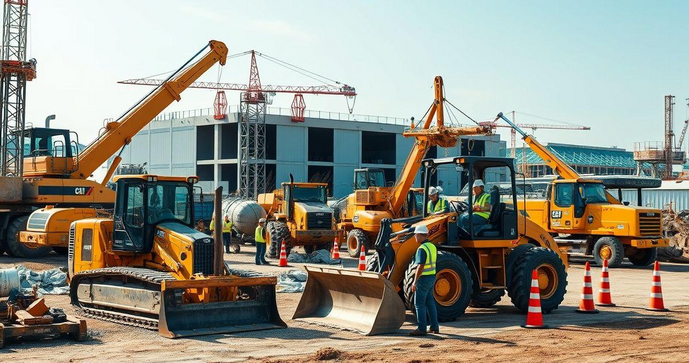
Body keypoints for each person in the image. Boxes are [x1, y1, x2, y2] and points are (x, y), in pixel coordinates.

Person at [409, 225, 439, 336]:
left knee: (419, 304)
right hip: (432, 277)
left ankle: (421, 328)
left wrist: (414, 281)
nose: (415, 237)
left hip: (423, 279)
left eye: (416, 235)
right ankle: (434, 326)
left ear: (421, 235)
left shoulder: (422, 249)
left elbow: (420, 266)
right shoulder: (432, 246)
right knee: (430, 302)